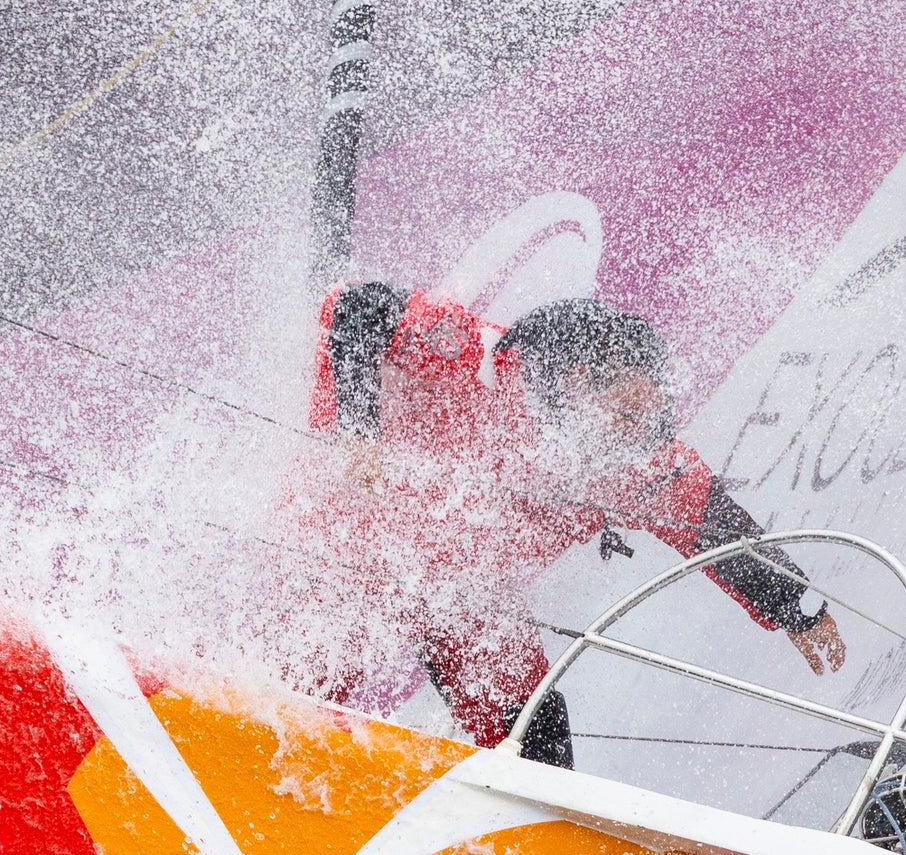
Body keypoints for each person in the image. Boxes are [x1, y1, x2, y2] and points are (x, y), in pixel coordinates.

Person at [283, 285, 843, 763]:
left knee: (535, 733)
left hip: (471, 593)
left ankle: (532, 833)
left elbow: (713, 524)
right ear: (579, 384)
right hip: (353, 550)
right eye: (629, 415)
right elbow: (358, 308)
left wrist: (796, 608)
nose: (641, 435)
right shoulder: (477, 355)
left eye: (651, 417)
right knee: (296, 697)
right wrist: (358, 434)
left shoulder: (635, 461)